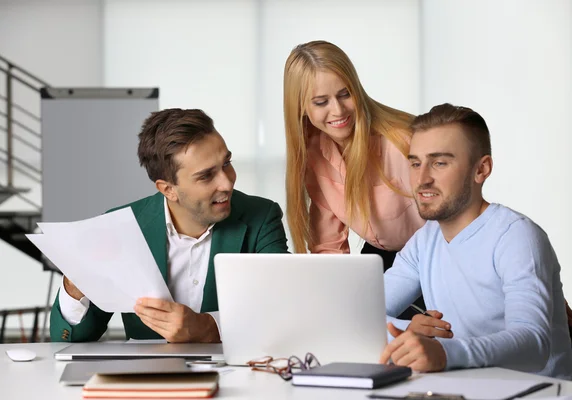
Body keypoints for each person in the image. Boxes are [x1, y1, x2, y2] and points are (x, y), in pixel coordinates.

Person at [50, 108, 288, 343]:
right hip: (146, 377)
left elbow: (282, 311)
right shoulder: (123, 226)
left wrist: (208, 327)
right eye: (206, 176)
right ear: (168, 190)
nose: (227, 183)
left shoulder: (262, 216)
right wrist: (75, 284)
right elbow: (73, 337)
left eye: (226, 163)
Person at [380, 103, 572, 380]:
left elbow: (533, 343)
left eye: (439, 162)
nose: (422, 178)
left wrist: (445, 352)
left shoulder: (517, 236)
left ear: (481, 169)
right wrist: (408, 330)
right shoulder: (424, 241)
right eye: (415, 163)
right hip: (466, 391)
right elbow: (361, 314)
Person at [283, 40, 425, 318]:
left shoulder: (404, 141)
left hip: (437, 259)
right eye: (321, 102)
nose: (338, 111)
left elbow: (454, 223)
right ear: (300, 107)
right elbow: (329, 246)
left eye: (345, 94)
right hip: (383, 259)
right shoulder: (314, 155)